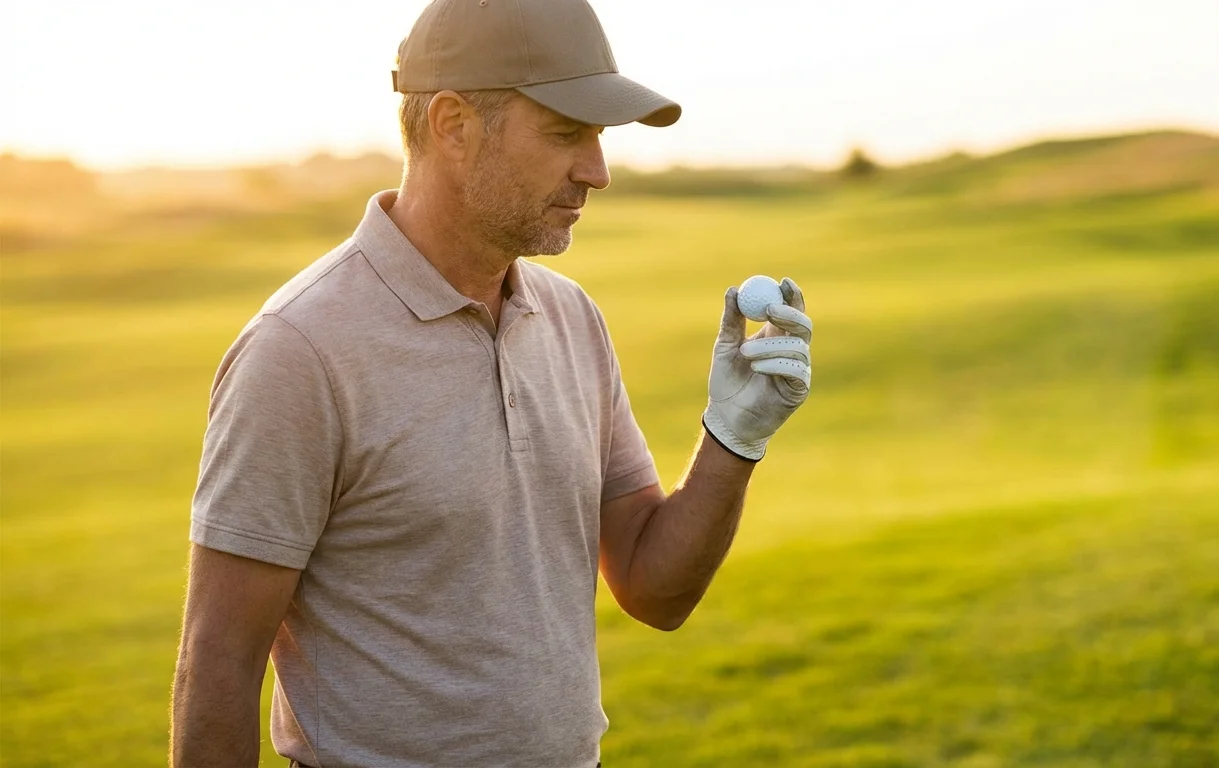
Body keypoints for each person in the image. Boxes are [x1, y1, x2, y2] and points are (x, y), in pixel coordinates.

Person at [168, 0, 813, 765]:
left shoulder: (572, 318)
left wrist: (732, 439)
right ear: (454, 125)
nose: (597, 171)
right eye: (566, 133)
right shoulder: (300, 350)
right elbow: (217, 661)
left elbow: (653, 590)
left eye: (599, 138)